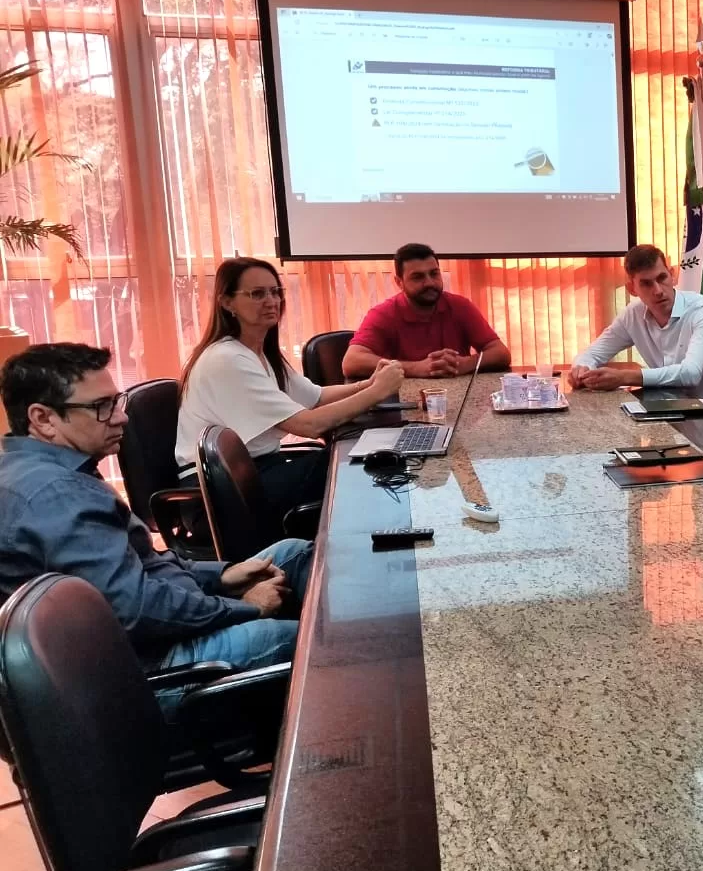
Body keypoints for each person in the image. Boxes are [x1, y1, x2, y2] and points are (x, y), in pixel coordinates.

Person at [0, 344, 312, 710]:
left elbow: (142, 563)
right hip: (147, 671)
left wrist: (222, 575)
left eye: (116, 402)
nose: (121, 418)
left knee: (293, 553)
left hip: (153, 633)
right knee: (321, 642)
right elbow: (136, 611)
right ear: (43, 419)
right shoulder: (57, 495)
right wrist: (243, 607)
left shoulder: (39, 471)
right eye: (102, 407)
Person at [176, 258, 406, 523]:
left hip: (251, 473)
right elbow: (309, 425)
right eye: (257, 294)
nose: (271, 301)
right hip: (218, 492)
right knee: (356, 464)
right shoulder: (227, 359)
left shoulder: (257, 352)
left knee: (357, 458)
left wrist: (368, 384)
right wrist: (376, 393)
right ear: (227, 302)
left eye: (275, 292)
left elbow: (315, 397)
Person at [568, 244, 703, 426]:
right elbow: (591, 354)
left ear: (672, 275)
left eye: (662, 278)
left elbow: (691, 374)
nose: (657, 290)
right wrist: (582, 370)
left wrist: (623, 377)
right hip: (677, 417)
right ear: (632, 288)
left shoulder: (702, 309)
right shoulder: (633, 315)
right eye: (646, 283)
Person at [342, 242, 512, 379]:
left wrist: (464, 364)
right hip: (402, 400)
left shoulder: (460, 306)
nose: (430, 283)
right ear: (399, 282)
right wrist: (416, 368)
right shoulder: (384, 314)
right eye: (418, 277)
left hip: (458, 396)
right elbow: (351, 362)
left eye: (434, 274)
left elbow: (500, 353)